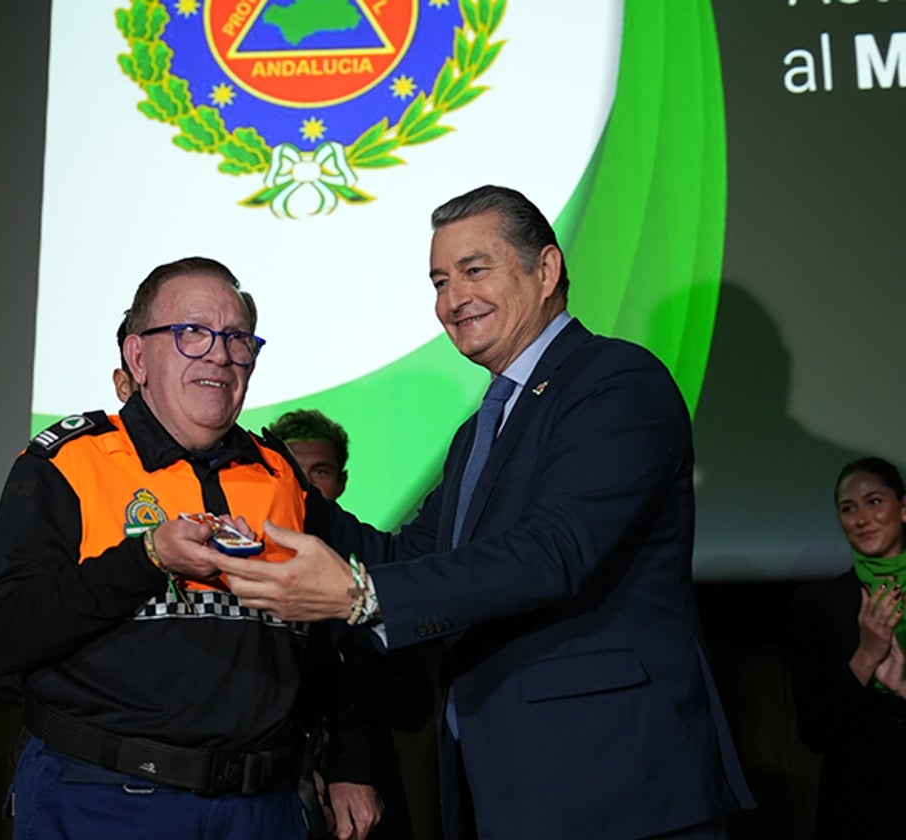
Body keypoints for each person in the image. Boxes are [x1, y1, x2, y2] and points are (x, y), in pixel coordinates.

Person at [215, 185, 755, 838]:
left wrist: (362, 595)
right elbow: (411, 556)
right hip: (505, 784)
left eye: (475, 270)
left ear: (546, 270)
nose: (451, 300)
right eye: (440, 280)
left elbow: (552, 552)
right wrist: (255, 464)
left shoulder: (615, 381)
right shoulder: (483, 427)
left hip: (614, 782)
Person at [0, 257, 381, 839]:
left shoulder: (279, 473)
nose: (219, 354)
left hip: (263, 807)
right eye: (191, 333)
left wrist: (349, 762)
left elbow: (324, 639)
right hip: (103, 799)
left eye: (237, 338)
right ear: (138, 358)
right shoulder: (68, 463)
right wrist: (147, 559)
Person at [269, 409, 434, 839]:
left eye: (319, 471)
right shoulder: (248, 571)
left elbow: (413, 701)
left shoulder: (380, 573)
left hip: (370, 777)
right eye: (295, 471)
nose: (307, 485)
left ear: (341, 480)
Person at [790, 456, 906, 838]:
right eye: (848, 508)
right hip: (860, 805)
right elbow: (815, 732)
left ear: (903, 509)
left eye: (874, 502)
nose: (861, 518)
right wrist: (866, 656)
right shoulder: (818, 604)